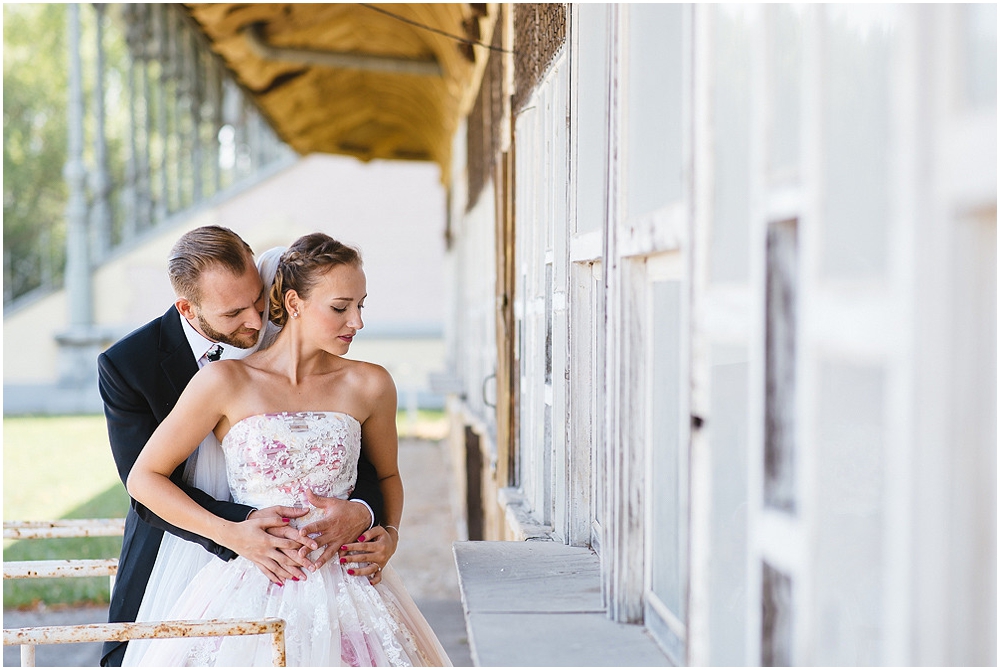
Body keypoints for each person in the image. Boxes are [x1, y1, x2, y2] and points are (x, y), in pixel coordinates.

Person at [123, 232, 450, 666]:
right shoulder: (224, 382)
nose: (357, 322)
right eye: (340, 308)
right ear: (294, 304)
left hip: (351, 588)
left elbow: (386, 475)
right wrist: (233, 534)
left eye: (360, 305)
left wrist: (388, 534)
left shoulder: (371, 384)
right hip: (249, 583)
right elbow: (143, 478)